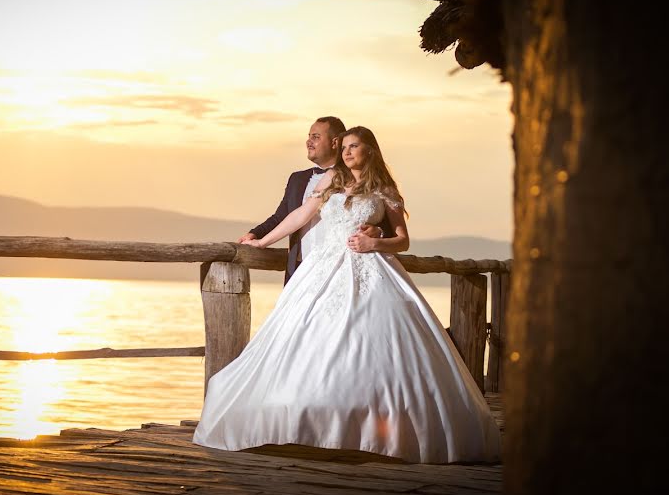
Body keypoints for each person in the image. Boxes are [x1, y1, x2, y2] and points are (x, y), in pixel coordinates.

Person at [193, 126, 501, 464]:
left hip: (368, 268)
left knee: (368, 343)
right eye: (345, 148)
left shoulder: (385, 191)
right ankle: (307, 421)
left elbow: (402, 240)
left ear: (371, 150)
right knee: (308, 337)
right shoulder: (332, 182)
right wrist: (261, 242)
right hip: (321, 270)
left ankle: (371, 427)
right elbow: (300, 215)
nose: (347, 153)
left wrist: (375, 243)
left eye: (355, 147)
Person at [239, 116, 384, 284]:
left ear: (335, 142)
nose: (308, 142)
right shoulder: (297, 179)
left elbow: (377, 217)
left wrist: (378, 232)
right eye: (308, 136)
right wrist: (255, 235)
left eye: (316, 137)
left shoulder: (356, 177)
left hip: (341, 268)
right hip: (300, 267)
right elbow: (282, 216)